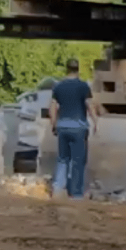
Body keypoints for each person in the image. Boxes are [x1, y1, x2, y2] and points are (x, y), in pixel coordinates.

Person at [50, 58, 94, 198]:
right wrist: (96, 121)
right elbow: (89, 105)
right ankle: (76, 193)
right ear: (78, 69)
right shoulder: (83, 86)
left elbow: (52, 107)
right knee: (78, 160)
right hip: (79, 127)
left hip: (62, 126)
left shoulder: (58, 86)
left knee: (63, 158)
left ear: (66, 69)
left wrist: (54, 124)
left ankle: (57, 189)